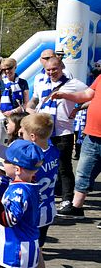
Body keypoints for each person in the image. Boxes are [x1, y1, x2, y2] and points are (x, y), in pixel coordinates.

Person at [28, 56, 87, 215]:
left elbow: (93, 95)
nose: (51, 72)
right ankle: (42, 195)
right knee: (40, 165)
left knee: (64, 167)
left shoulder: (72, 84)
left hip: (63, 133)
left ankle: (67, 199)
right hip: (43, 133)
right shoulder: (41, 83)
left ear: (61, 68)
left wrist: (78, 108)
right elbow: (34, 100)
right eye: (48, 70)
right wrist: (31, 109)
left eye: (54, 69)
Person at [49, 71, 101, 221]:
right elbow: (85, 95)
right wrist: (64, 95)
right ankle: (76, 207)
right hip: (92, 135)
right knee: (83, 172)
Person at [19, 113, 60, 268]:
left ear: (33, 136)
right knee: (38, 250)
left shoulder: (33, 159)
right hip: (48, 207)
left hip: (35, 211)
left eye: (24, 132)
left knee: (34, 252)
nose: (21, 134)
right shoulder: (54, 151)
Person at [0, 58, 29, 154]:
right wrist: (4, 111)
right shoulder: (0, 82)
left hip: (16, 115)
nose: (7, 71)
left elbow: (25, 103)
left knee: (15, 140)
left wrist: (13, 112)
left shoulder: (23, 82)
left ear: (15, 67)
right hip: (1, 113)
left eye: (9, 68)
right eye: (4, 69)